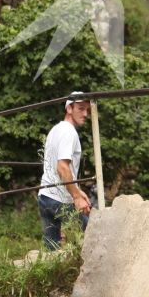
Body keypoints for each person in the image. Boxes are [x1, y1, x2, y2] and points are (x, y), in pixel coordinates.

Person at [37, 93, 92, 249]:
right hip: (60, 200)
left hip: (45, 197)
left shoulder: (55, 130)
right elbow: (62, 167)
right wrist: (76, 197)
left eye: (87, 110)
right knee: (93, 234)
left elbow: (57, 167)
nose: (85, 114)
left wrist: (78, 190)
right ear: (69, 108)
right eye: (81, 109)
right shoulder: (69, 132)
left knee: (52, 249)